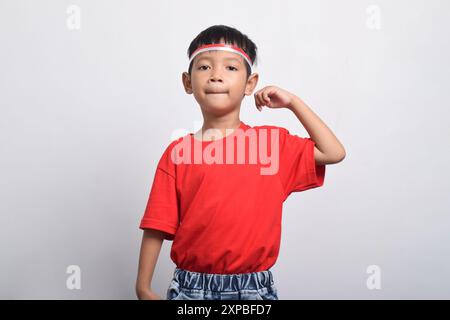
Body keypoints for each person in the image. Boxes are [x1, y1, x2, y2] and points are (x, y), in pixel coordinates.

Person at [135, 25, 346, 300]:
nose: (216, 76)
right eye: (204, 67)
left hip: (253, 290)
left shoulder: (271, 146)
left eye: (231, 68)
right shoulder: (178, 152)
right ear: (188, 82)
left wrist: (293, 102)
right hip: (191, 289)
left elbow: (333, 152)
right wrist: (143, 287)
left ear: (250, 83)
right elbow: (157, 224)